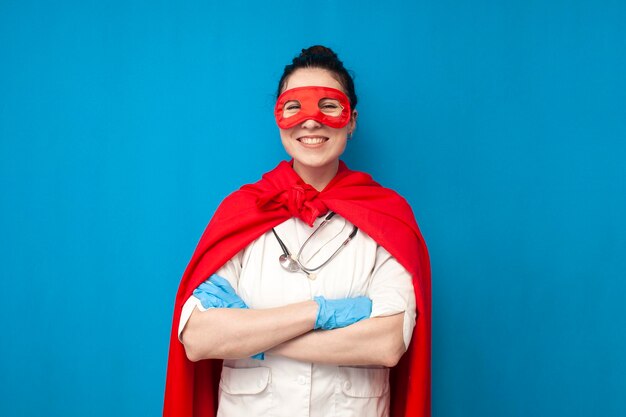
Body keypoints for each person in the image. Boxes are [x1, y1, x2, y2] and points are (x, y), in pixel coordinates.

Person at [163, 45, 431, 417]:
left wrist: (249, 336)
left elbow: (386, 343)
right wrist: (320, 313)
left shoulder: (388, 216)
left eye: (329, 106)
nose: (311, 121)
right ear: (279, 119)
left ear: (351, 120)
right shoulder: (242, 211)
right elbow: (197, 338)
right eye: (295, 107)